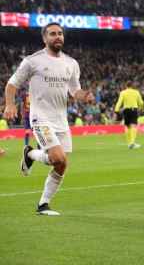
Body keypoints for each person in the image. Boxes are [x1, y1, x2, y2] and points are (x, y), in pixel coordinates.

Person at [3, 22, 94, 216]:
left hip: (61, 120)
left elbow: (74, 90)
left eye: (60, 33)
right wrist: (10, 104)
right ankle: (31, 156)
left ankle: (43, 203)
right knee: (57, 157)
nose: (58, 37)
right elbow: (12, 84)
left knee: (61, 164)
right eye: (53, 34)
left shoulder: (71, 63)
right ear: (45, 38)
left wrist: (84, 96)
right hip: (40, 118)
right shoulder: (32, 61)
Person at [114, 81, 144, 149]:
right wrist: (142, 108)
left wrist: (116, 110)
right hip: (133, 110)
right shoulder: (136, 92)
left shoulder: (123, 92)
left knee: (127, 126)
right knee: (133, 126)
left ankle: (129, 143)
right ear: (132, 85)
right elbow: (141, 102)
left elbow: (119, 102)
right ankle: (132, 143)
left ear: (126, 86)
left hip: (126, 110)